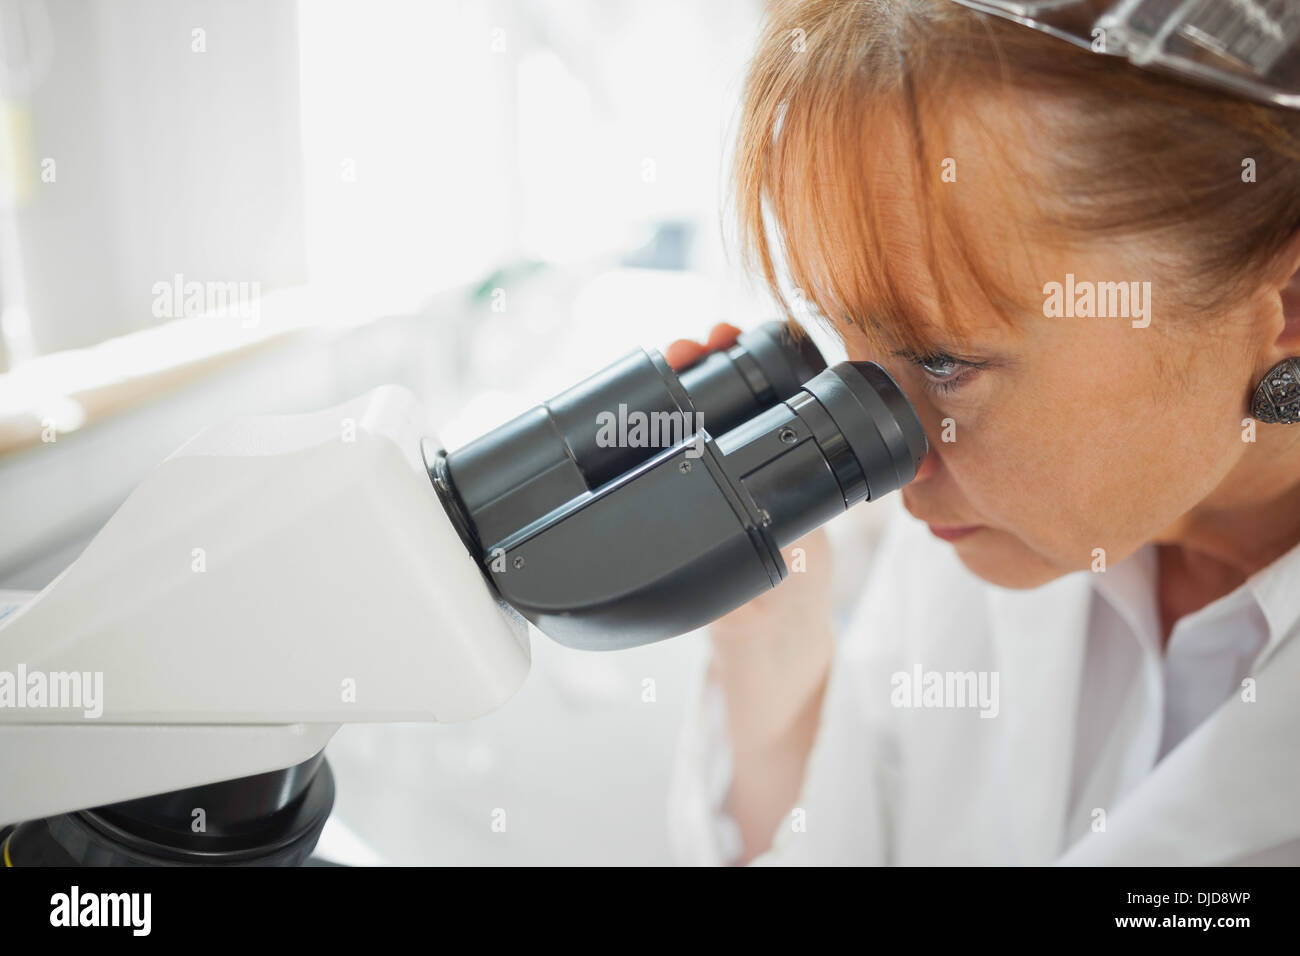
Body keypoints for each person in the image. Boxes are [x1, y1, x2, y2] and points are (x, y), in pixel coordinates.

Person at [664, 0, 1300, 865]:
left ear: (1287, 307)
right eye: (846, 345)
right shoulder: (997, 534)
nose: (889, 459)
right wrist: (770, 642)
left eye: (943, 363)